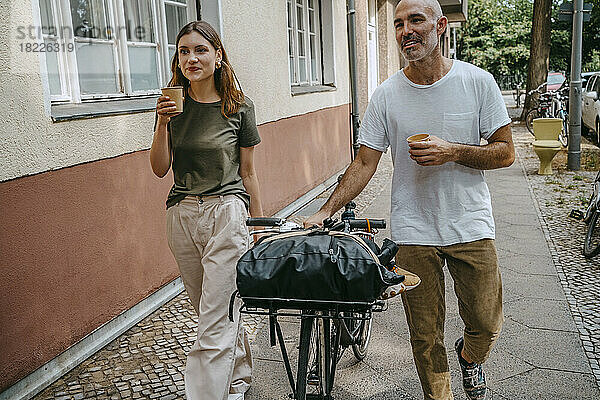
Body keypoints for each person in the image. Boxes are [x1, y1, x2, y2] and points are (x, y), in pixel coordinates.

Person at [305, 0, 514, 399]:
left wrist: (453, 151)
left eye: (416, 20)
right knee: (424, 335)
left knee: (486, 323)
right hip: (413, 229)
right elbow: (365, 162)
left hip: (469, 224)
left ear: (440, 27)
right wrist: (326, 210)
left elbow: (505, 152)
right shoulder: (386, 95)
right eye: (398, 24)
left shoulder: (477, 82)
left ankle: (470, 359)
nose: (405, 31)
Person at [150, 21, 262, 400]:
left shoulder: (239, 107)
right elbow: (159, 168)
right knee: (211, 311)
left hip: (227, 214)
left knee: (213, 323)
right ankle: (238, 380)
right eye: (184, 51)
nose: (191, 58)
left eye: (200, 50)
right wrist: (162, 123)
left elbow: (248, 172)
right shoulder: (171, 105)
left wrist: (258, 227)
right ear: (177, 59)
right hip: (181, 215)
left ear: (217, 56)